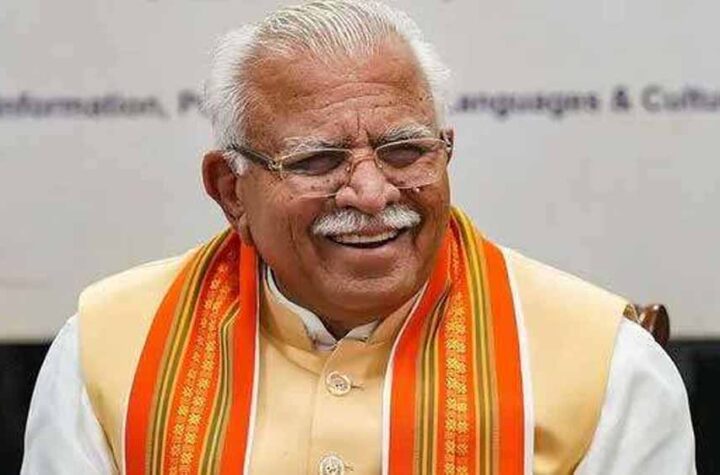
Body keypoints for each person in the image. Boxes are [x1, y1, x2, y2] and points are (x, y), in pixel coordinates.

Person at [22, 1, 695, 474]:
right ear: (231, 190)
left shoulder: (607, 366)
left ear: (445, 152)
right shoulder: (107, 351)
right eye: (318, 161)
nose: (371, 194)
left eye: (404, 151)